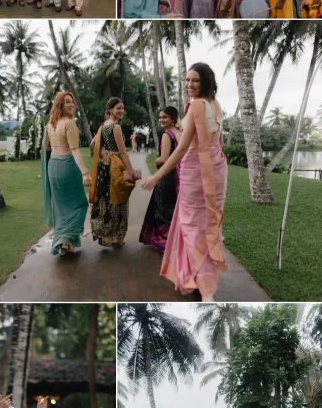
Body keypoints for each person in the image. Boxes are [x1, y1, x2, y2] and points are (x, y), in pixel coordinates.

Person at [142, 63, 227, 302]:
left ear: (206, 82)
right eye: (187, 80)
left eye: (196, 80)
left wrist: (156, 176)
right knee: (208, 223)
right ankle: (200, 279)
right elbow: (218, 142)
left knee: (192, 227)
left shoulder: (196, 106)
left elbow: (180, 151)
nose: (190, 85)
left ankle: (204, 287)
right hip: (217, 169)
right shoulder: (216, 105)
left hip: (195, 171)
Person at [42, 91, 92, 255]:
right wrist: (85, 172)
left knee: (61, 207)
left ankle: (65, 243)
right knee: (79, 204)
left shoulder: (50, 124)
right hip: (67, 167)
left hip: (53, 167)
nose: (71, 104)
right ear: (60, 105)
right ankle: (66, 240)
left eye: (72, 101)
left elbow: (48, 149)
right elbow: (75, 150)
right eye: (67, 102)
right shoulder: (69, 124)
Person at [90, 97, 138, 247]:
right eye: (118, 108)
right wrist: (131, 172)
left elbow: (93, 144)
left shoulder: (104, 126)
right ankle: (115, 238)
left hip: (105, 164)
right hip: (115, 165)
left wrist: (106, 154)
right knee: (118, 199)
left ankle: (102, 233)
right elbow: (123, 152)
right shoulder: (115, 127)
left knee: (105, 199)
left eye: (123, 108)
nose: (121, 110)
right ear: (110, 109)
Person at [139, 106, 180, 251]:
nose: (161, 120)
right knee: (174, 207)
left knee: (162, 208)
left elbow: (164, 159)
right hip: (179, 175)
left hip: (167, 175)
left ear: (173, 119)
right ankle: (175, 240)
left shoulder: (167, 135)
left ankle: (164, 242)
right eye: (160, 117)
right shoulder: (180, 133)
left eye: (165, 117)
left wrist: (156, 161)